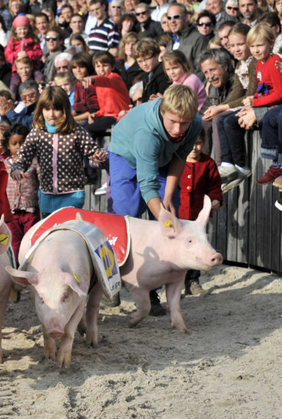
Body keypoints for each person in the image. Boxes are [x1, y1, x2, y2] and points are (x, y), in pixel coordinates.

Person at [108, 85, 202, 315]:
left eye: (184, 123)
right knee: (125, 215)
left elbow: (181, 155)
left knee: (171, 211)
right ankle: (111, 278)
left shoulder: (195, 122)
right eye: (172, 121)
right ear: (162, 111)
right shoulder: (146, 131)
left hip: (163, 160)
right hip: (126, 153)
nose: (178, 129)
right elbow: (147, 183)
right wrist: (162, 217)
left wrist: (168, 196)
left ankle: (151, 288)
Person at [10, 86, 107, 217]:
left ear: (65, 109)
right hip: (47, 195)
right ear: (41, 110)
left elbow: (93, 152)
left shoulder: (76, 132)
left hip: (73, 194)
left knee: (68, 232)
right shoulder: (37, 133)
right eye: (47, 109)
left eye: (56, 109)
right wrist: (17, 168)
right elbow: (24, 154)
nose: (51, 114)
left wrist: (99, 157)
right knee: (50, 234)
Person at [221, 24, 282, 191]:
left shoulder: (274, 61)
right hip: (264, 105)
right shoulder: (260, 63)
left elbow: (279, 94)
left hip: (274, 109)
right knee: (230, 120)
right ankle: (232, 164)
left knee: (233, 122)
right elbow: (263, 88)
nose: (255, 50)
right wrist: (252, 98)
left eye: (259, 45)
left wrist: (255, 105)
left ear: (271, 43)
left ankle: (274, 163)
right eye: (252, 46)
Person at [179, 130, 222, 296]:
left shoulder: (208, 163)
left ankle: (192, 282)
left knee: (197, 249)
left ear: (203, 143)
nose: (194, 148)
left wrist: (216, 199)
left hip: (198, 218)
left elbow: (214, 185)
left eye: (198, 143)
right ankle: (174, 284)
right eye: (191, 143)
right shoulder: (177, 161)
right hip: (178, 214)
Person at [1, 124, 39, 259]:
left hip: (31, 210)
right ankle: (16, 270)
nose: (18, 146)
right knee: (14, 243)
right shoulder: (2, 164)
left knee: (31, 242)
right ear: (8, 145)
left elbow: (41, 179)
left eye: (22, 143)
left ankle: (30, 267)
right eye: (14, 143)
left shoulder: (34, 162)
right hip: (11, 212)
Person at [81, 51, 131, 135]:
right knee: (80, 129)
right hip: (106, 116)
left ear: (112, 66)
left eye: (104, 66)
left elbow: (106, 80)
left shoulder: (115, 77)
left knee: (85, 130)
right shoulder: (98, 85)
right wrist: (96, 114)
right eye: (98, 66)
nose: (101, 70)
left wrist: (93, 79)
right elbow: (106, 109)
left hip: (118, 117)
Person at [166, 4, 209, 80]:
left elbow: (202, 70)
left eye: (176, 17)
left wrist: (187, 87)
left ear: (186, 18)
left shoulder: (199, 39)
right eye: (169, 18)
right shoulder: (171, 41)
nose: (172, 21)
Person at [135, 38, 171, 103]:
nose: (144, 64)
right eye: (140, 61)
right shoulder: (146, 76)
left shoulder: (164, 73)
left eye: (147, 59)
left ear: (156, 56)